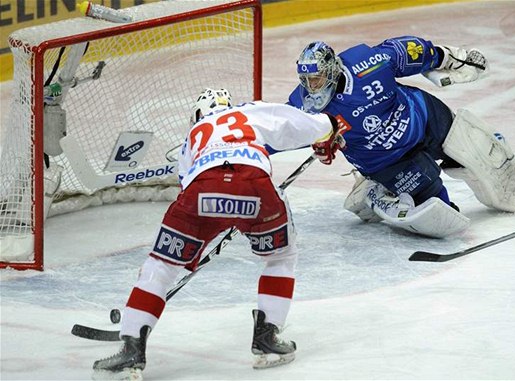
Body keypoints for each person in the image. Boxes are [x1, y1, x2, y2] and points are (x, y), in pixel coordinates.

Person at [92, 88, 339, 378]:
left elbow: (189, 187)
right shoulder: (246, 111)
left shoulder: (192, 138)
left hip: (201, 191)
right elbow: (302, 123)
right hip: (255, 186)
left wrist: (218, 219)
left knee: (162, 264)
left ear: (197, 114)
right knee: (281, 257)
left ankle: (131, 350)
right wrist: (329, 132)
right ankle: (267, 341)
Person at [288, 38, 515, 238]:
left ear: (332, 71)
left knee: (481, 156)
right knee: (440, 212)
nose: (312, 87)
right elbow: (275, 131)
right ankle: (376, 188)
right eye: (306, 80)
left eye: (316, 78)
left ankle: (492, 159)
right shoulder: (302, 107)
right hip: (388, 161)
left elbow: (409, 51)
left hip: (424, 117)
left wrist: (449, 57)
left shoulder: (369, 63)